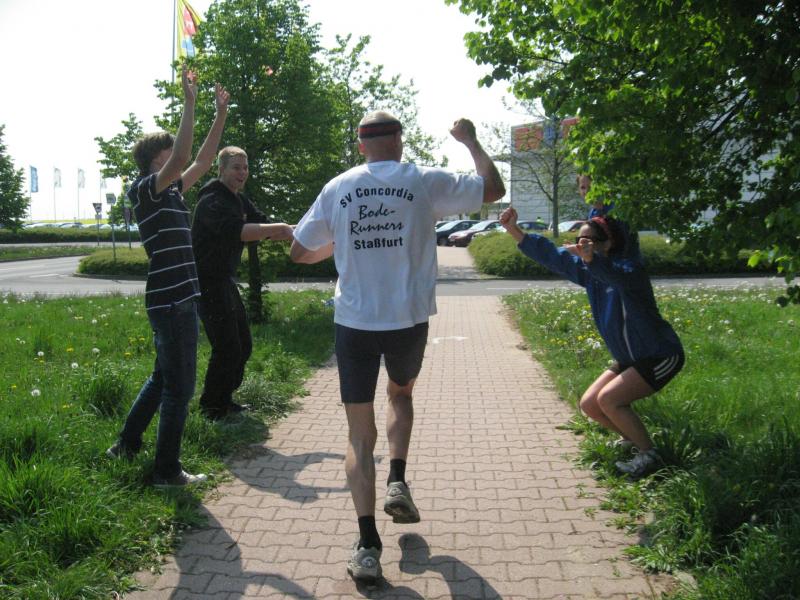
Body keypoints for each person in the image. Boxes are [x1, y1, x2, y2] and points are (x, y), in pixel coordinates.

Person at [289, 111, 505, 584]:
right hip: (408, 321)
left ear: (361, 145)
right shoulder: (423, 180)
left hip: (355, 324)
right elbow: (493, 189)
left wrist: (340, 244)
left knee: (358, 435)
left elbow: (299, 251)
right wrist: (470, 141)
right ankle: (397, 480)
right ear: (399, 142)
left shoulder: (338, 187)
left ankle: (367, 546)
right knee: (401, 394)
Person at [106, 69, 230, 488]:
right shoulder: (146, 189)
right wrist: (190, 104)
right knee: (180, 388)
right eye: (168, 150)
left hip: (176, 299)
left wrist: (220, 114)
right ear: (156, 159)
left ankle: (125, 445)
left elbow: (202, 162)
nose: (175, 155)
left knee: (163, 379)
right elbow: (184, 157)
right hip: (172, 300)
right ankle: (166, 471)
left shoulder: (172, 191)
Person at [498, 206, 684, 480]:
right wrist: (514, 230)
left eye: (589, 241)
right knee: (590, 405)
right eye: (579, 241)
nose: (581, 246)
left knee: (610, 400)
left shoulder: (629, 270)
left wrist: (591, 259)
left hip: (659, 354)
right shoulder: (590, 272)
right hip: (631, 358)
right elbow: (553, 256)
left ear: (608, 243)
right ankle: (632, 440)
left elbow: (613, 275)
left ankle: (650, 455)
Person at [191, 146, 294, 421]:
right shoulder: (211, 201)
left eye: (245, 168)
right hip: (206, 282)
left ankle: (224, 399)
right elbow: (239, 232)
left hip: (224, 281)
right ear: (221, 169)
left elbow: (265, 226)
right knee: (226, 346)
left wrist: (301, 231)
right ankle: (212, 409)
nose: (242, 173)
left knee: (243, 344)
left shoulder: (239, 200)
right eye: (236, 167)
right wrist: (281, 228)